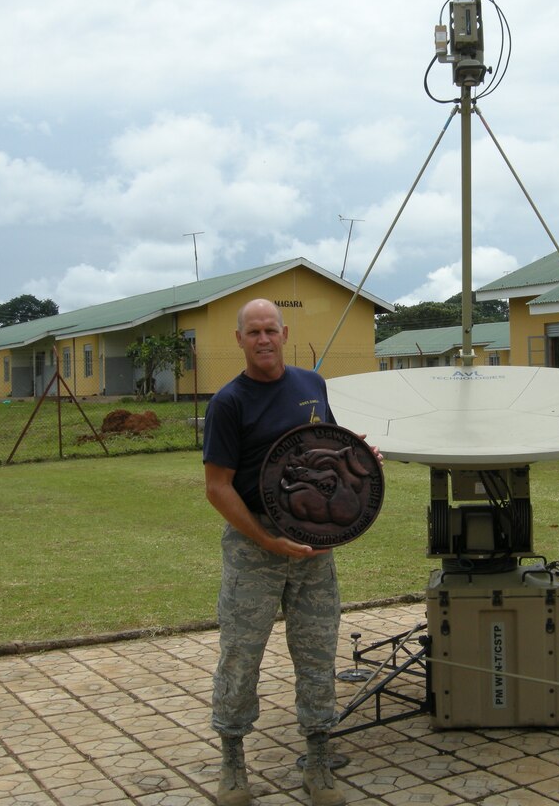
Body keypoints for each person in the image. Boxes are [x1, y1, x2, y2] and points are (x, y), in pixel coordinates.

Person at [203, 298, 371, 806]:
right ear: (239, 339)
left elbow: (331, 443)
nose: (263, 340)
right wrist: (266, 540)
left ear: (284, 332)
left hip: (317, 546)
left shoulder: (311, 384)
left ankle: (318, 763)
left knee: (318, 651)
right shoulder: (228, 402)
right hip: (256, 547)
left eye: (270, 330)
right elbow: (217, 486)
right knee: (240, 654)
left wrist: (361, 456)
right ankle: (233, 763)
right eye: (252, 332)